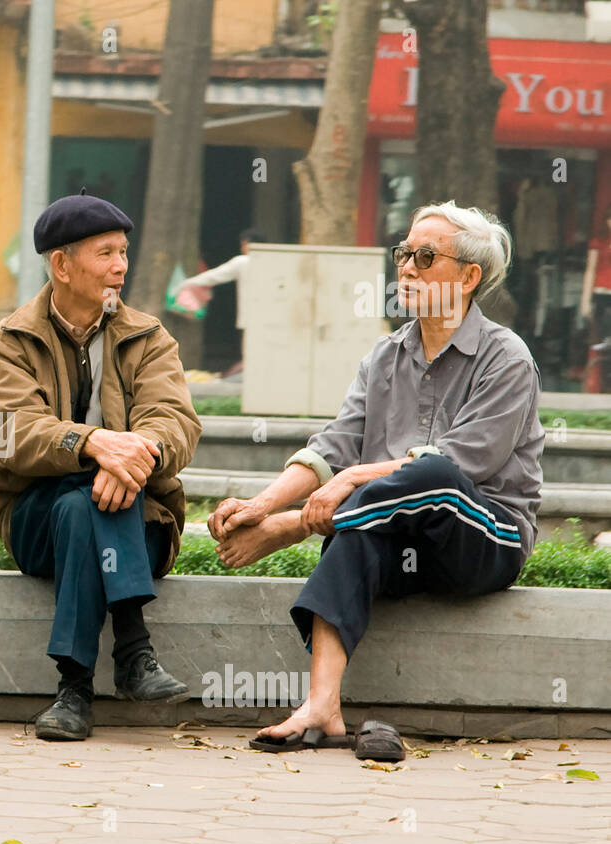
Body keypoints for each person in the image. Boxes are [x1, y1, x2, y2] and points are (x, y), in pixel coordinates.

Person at [208, 201, 543, 762]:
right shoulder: (385, 356)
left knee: (431, 473)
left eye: (426, 256)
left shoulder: (505, 357)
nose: (407, 267)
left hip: (486, 536)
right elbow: (331, 446)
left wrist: (315, 507)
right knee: (361, 531)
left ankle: (298, 529)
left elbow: (461, 465)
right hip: (398, 533)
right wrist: (259, 506)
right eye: (404, 253)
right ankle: (322, 706)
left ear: (468, 278)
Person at [0, 190, 203, 742]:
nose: (121, 266)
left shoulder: (149, 338)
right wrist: (93, 443)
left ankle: (74, 689)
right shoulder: (9, 343)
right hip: (34, 522)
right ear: (62, 264)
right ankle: (133, 650)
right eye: (106, 253)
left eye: (123, 252)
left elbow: (175, 422)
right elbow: (10, 433)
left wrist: (130, 458)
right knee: (81, 490)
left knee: (86, 504)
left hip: (139, 520)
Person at [578, 203, 611, 387]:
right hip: (602, 294)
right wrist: (585, 301)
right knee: (603, 340)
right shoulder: (599, 241)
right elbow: (590, 270)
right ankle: (605, 382)